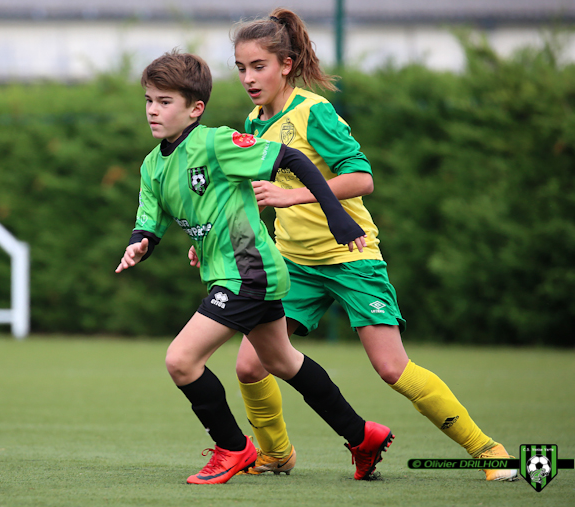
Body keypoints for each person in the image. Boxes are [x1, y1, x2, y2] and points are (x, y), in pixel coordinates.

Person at [191, 7, 517, 481]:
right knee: (249, 366)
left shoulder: (314, 112)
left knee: (391, 368)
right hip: (294, 264)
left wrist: (293, 195)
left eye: (258, 66)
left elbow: (362, 179)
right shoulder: (254, 121)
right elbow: (251, 193)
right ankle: (276, 454)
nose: (248, 78)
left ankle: (488, 450)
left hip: (351, 256)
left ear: (286, 64)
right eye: (241, 68)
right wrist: (215, 235)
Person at [116, 50, 394, 484]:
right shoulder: (152, 166)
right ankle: (363, 436)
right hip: (237, 274)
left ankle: (233, 448)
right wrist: (139, 245)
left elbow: (292, 158)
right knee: (282, 361)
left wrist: (336, 214)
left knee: (181, 360)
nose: (153, 110)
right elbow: (149, 224)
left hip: (248, 272)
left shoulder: (215, 142)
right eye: (149, 100)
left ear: (195, 108)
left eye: (165, 102)